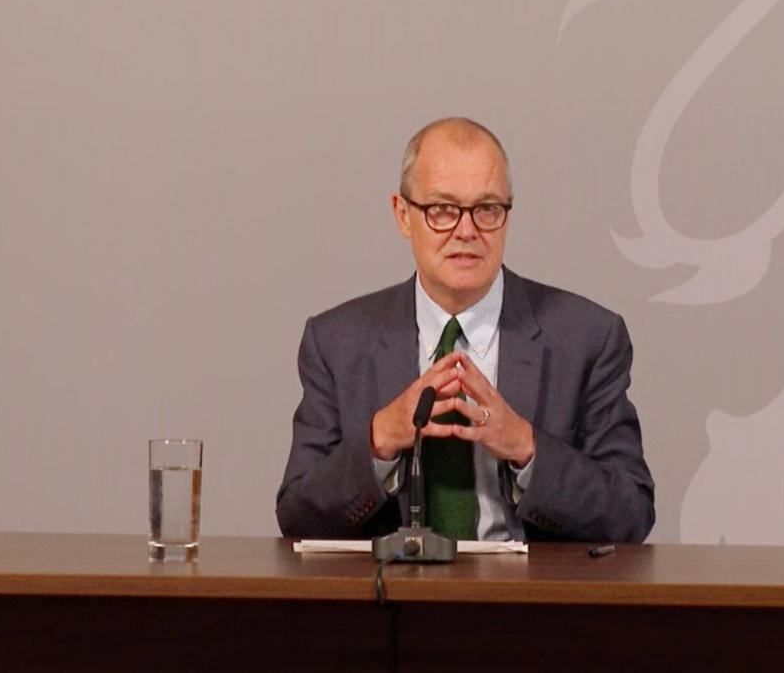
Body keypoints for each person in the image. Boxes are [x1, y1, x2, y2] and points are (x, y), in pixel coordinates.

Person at [276, 117, 654, 542]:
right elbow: (297, 516)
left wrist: (529, 448)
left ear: (507, 215)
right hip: (389, 601)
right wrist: (380, 439)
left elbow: (631, 514)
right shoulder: (337, 342)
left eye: (487, 209)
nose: (467, 231)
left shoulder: (587, 338)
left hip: (530, 601)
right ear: (403, 215)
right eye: (442, 210)